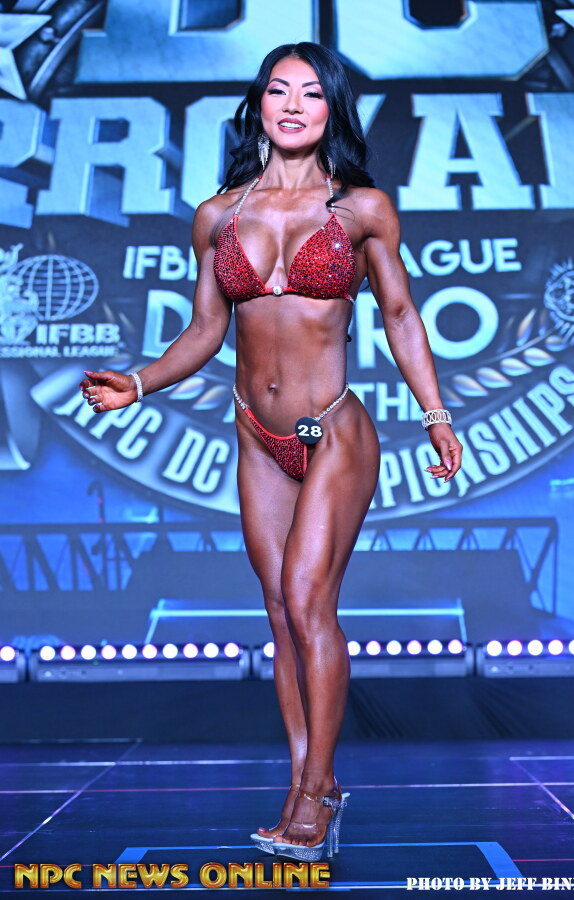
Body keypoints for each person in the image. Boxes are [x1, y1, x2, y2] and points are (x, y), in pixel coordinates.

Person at [79, 42, 463, 862]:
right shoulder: (217, 215)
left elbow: (399, 315)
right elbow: (205, 331)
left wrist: (436, 416)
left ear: (332, 109)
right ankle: (300, 784)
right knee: (281, 616)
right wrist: (138, 384)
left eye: (311, 93)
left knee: (307, 595)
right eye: (279, 90)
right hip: (257, 435)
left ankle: (321, 791)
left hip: (333, 429)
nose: (293, 105)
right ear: (258, 104)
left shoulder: (362, 209)